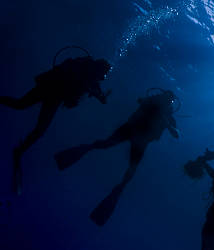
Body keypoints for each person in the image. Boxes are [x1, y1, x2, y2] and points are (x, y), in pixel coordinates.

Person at [54, 89, 179, 226]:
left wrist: (169, 125)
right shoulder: (153, 101)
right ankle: (87, 151)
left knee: (128, 164)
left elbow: (176, 134)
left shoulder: (168, 115)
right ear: (164, 96)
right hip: (131, 130)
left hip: (140, 138)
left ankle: (118, 188)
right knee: (109, 146)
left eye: (170, 100)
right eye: (168, 98)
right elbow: (141, 101)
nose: (168, 101)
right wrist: (160, 115)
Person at [0, 55, 112, 194]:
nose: (101, 77)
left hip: (54, 98)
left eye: (103, 76)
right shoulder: (84, 66)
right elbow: (74, 76)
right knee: (20, 105)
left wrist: (102, 98)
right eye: (102, 74)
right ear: (98, 69)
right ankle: (19, 150)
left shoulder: (93, 81)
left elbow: (98, 94)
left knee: (37, 126)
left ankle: (20, 150)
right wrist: (91, 91)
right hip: (49, 88)